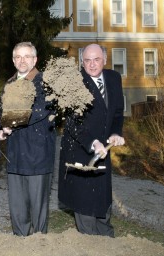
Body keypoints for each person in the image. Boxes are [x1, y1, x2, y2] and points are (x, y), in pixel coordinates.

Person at [58, 43, 125, 237]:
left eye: (96, 60)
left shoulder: (114, 78)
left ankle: (107, 239)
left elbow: (118, 113)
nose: (92, 65)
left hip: (104, 150)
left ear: (104, 59)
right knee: (85, 200)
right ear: (82, 62)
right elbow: (73, 122)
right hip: (80, 148)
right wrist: (93, 143)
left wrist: (115, 133)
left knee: (103, 197)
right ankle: (89, 242)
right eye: (87, 60)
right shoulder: (74, 83)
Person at [0, 42, 57, 236]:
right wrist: (1, 129)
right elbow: (2, 111)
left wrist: (10, 123)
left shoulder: (46, 82)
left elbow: (40, 110)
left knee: (38, 205)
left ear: (35, 59)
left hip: (38, 153)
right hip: (15, 154)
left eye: (27, 56)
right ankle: (20, 240)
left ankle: (38, 243)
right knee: (17, 203)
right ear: (14, 60)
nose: (22, 61)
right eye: (18, 57)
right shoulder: (10, 83)